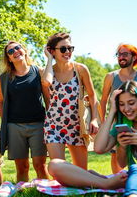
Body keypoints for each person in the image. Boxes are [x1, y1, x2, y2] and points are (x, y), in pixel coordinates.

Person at [42, 32, 99, 170]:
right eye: (63, 49)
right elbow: (46, 85)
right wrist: (49, 59)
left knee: (81, 172)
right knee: (58, 169)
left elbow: (92, 95)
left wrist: (94, 119)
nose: (67, 52)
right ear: (52, 51)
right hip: (53, 126)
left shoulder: (80, 69)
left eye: (70, 48)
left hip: (77, 126)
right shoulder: (47, 72)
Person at [0, 40, 48, 182]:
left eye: (17, 48)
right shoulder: (4, 78)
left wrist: (50, 121)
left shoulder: (38, 71)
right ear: (8, 58)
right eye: (11, 51)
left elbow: (48, 98)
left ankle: (45, 192)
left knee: (40, 165)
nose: (15, 52)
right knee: (22, 167)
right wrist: (6, 122)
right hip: (15, 127)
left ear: (24, 50)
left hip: (38, 125)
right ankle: (23, 192)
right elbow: (0, 102)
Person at [100, 43, 137, 173]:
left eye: (125, 54)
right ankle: (117, 181)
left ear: (134, 57)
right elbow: (104, 100)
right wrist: (103, 122)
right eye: (119, 54)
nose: (121, 57)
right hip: (116, 122)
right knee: (116, 152)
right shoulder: (110, 77)